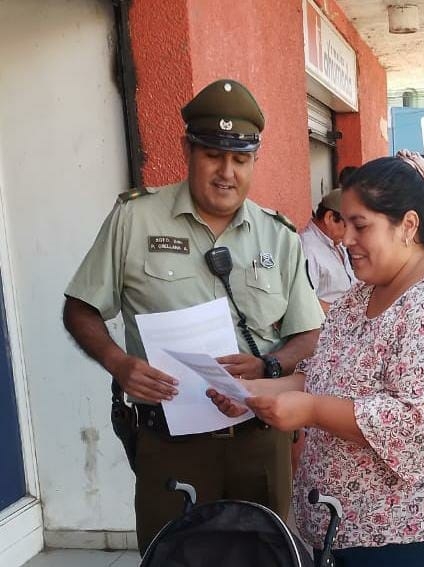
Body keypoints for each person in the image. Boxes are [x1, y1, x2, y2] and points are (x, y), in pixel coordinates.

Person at [62, 79, 324, 552]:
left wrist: (269, 366)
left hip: (259, 440)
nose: (227, 173)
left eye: (240, 159)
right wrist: (119, 365)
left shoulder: (279, 235)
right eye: (213, 155)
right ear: (188, 150)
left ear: (254, 162)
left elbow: (307, 335)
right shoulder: (134, 220)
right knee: (173, 556)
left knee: (263, 560)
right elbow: (80, 307)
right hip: (169, 442)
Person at [208, 150, 424, 567]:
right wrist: (251, 393)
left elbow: (414, 424)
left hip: (415, 538)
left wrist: (311, 410)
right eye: (343, 223)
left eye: (361, 226)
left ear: (408, 226)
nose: (345, 239)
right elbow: (322, 375)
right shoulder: (358, 297)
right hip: (346, 530)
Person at [299, 188, 357, 313]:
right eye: (347, 225)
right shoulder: (307, 247)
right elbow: (304, 301)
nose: (350, 235)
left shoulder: (337, 242)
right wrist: (346, 313)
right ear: (330, 218)